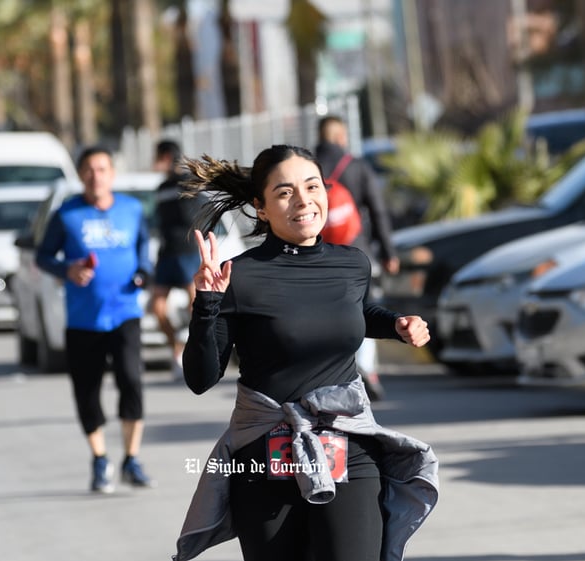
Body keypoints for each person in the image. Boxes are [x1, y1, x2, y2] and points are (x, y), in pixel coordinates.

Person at [173, 145, 438, 561]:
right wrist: (207, 303)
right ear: (260, 208)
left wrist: (396, 324)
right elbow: (201, 378)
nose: (303, 200)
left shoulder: (353, 264)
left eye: (312, 186)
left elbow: (355, 312)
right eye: (284, 192)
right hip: (262, 455)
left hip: (348, 442)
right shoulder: (238, 277)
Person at [35, 146, 156, 494]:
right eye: (88, 169)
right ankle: (100, 458)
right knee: (87, 391)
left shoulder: (132, 209)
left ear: (112, 174)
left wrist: (143, 274)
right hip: (83, 318)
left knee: (131, 381)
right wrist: (67, 269)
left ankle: (132, 458)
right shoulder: (67, 213)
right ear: (80, 174)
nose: (95, 175)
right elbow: (44, 256)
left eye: (102, 169)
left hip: (126, 313)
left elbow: (144, 249)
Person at [315, 115, 399, 401]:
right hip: (356, 250)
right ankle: (366, 370)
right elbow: (378, 211)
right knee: (364, 306)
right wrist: (388, 252)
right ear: (341, 137)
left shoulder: (306, 168)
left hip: (317, 251)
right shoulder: (357, 167)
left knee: (323, 310)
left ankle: (329, 372)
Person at [150, 139, 200, 379]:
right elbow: (160, 221)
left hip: (187, 252)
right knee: (157, 308)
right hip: (166, 253)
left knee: (195, 305)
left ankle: (195, 351)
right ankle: (176, 350)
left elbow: (194, 217)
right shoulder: (161, 188)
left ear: (168, 156)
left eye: (159, 156)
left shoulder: (189, 182)